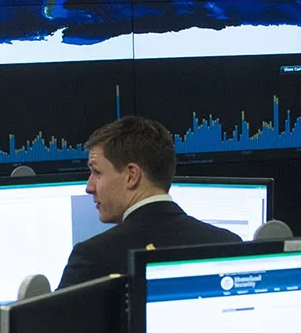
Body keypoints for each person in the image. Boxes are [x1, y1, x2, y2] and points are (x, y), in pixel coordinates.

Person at [56, 116, 238, 289]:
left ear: (131, 175)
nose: (89, 187)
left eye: (97, 172)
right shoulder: (229, 244)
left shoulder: (92, 257)